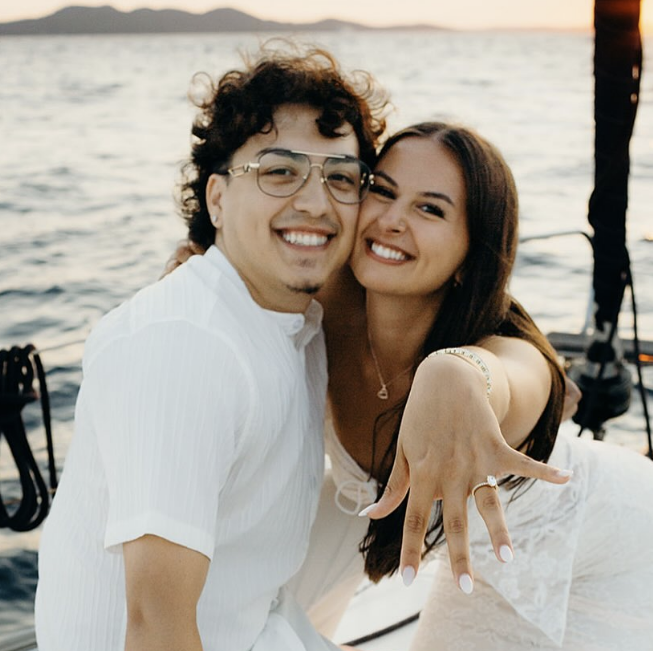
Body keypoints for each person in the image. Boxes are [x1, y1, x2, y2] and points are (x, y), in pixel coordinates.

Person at [171, 121, 653, 649]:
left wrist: (458, 374)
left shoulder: (507, 354)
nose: (392, 221)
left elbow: (511, 378)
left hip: (614, 549)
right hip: (429, 541)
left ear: (471, 255)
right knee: (223, 613)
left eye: (430, 209)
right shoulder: (325, 298)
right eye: (383, 191)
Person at [34, 45, 388, 651]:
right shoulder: (184, 347)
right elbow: (156, 628)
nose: (315, 202)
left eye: (341, 178)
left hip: (252, 626)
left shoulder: (293, 319)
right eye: (280, 171)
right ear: (218, 199)